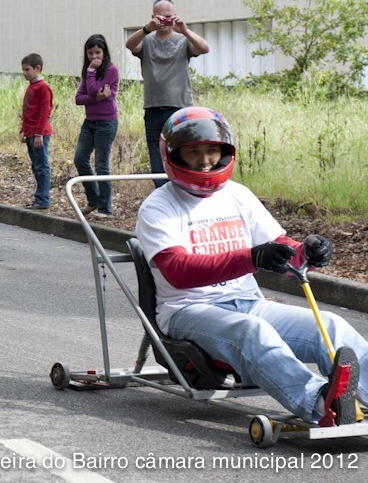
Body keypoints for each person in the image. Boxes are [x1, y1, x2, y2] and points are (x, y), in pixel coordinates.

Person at [136, 106, 367, 427]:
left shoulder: (238, 195)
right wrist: (250, 258)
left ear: (225, 152)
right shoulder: (158, 207)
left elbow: (281, 248)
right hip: (188, 310)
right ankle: (321, 404)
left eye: (212, 150)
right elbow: (177, 270)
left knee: (330, 325)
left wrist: (307, 253)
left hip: (247, 303)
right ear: (173, 156)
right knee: (252, 331)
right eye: (193, 152)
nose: (205, 160)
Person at [125, 0, 210, 187]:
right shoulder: (146, 40)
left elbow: (205, 48)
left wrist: (185, 30)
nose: (164, 21)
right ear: (152, 17)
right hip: (153, 108)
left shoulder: (183, 40)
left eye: (168, 16)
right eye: (159, 16)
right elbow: (129, 45)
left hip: (180, 108)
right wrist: (147, 29)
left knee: (182, 156)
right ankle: (163, 196)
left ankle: (183, 194)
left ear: (175, 16)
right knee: (157, 161)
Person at [73, 34, 119, 219]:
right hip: (90, 121)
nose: (94, 57)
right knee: (80, 159)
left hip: (106, 122)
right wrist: (96, 97)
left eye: (98, 52)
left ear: (104, 52)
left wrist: (91, 72)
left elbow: (91, 91)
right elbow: (79, 98)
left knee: (101, 164)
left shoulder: (111, 70)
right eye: (90, 53)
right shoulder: (88, 72)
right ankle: (94, 200)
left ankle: (105, 208)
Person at [20, 53, 53, 211]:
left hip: (39, 134)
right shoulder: (31, 86)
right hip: (30, 133)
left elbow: (45, 111)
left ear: (37, 68)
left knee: (42, 167)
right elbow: (28, 111)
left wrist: (39, 134)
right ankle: (39, 198)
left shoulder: (43, 87)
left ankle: (43, 199)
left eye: (27, 69)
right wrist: (23, 130)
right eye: (23, 70)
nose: (24, 73)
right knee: (36, 166)